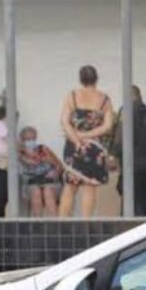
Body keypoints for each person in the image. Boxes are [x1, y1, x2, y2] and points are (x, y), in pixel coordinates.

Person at [59, 65, 115, 218]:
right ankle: (86, 222)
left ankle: (62, 222)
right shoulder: (104, 99)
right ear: (96, 78)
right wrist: (87, 135)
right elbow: (108, 126)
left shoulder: (72, 96)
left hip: (73, 145)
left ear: (80, 79)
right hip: (94, 147)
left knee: (70, 186)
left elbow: (64, 122)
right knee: (89, 187)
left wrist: (77, 139)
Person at [111, 85, 146, 216]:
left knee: (132, 201)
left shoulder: (126, 111)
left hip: (131, 164)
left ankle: (132, 226)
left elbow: (120, 137)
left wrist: (114, 155)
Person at [18, 126, 62, 217]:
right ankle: (38, 223)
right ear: (22, 140)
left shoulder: (44, 149)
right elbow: (27, 163)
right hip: (31, 182)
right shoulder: (20, 153)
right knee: (36, 191)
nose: (31, 142)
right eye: (27, 139)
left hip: (50, 181)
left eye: (33, 139)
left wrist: (53, 168)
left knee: (48, 191)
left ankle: (55, 222)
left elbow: (59, 165)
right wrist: (26, 154)